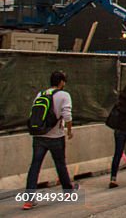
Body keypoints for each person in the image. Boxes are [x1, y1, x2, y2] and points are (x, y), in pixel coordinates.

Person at [23, 71, 78, 210]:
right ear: (61, 82)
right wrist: (70, 131)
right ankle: (68, 191)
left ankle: (29, 199)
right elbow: (67, 115)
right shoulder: (64, 95)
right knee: (60, 164)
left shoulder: (40, 94)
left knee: (35, 166)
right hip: (56, 137)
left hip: (39, 136)